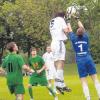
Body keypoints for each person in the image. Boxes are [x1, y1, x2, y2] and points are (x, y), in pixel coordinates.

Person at [67, 18, 100, 100]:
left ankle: (88, 98)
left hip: (80, 60)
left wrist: (68, 21)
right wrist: (77, 19)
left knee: (83, 80)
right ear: (83, 32)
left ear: (77, 33)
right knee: (95, 78)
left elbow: (70, 30)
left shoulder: (74, 38)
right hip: (88, 58)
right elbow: (82, 27)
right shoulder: (86, 37)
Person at [49, 11, 71, 94]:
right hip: (59, 43)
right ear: (63, 16)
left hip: (53, 43)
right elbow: (66, 30)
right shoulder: (61, 19)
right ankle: (57, 85)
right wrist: (68, 23)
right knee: (61, 63)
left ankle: (62, 85)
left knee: (57, 64)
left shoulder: (52, 21)